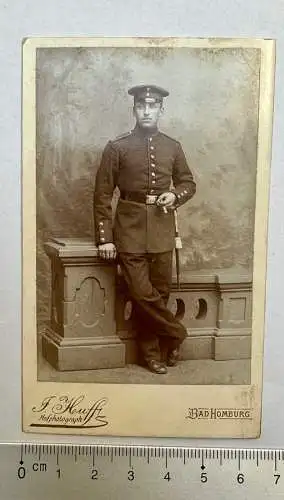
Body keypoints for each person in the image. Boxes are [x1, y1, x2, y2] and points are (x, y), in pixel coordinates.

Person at [93, 84, 196, 374]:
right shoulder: (118, 147)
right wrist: (105, 238)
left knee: (159, 294)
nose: (147, 111)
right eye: (141, 106)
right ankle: (176, 334)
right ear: (134, 109)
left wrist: (176, 195)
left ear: (162, 110)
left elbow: (188, 183)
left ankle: (157, 352)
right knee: (141, 294)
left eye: (152, 106)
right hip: (129, 232)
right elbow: (102, 194)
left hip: (163, 231)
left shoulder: (172, 147)